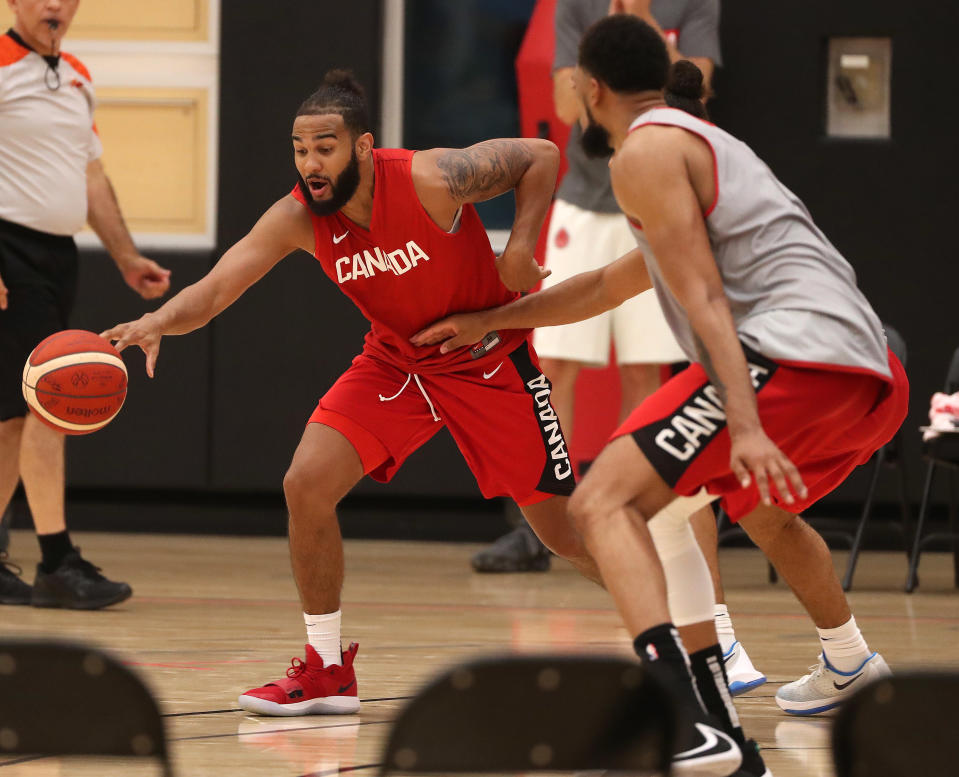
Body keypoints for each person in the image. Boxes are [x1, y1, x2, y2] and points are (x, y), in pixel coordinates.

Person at [103, 70, 742, 777]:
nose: (310, 163)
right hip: (397, 363)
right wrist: (160, 319)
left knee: (565, 533)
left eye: (325, 147)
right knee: (305, 482)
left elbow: (540, 155)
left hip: (487, 355)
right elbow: (219, 286)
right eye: (300, 149)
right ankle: (325, 670)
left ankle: (691, 649)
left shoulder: (434, 178)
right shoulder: (296, 218)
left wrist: (520, 245)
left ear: (364, 147)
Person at [414, 13, 908, 737]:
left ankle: (687, 709)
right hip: (867, 370)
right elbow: (611, 284)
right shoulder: (700, 146)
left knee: (602, 501)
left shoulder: (641, 154)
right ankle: (849, 662)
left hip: (793, 353)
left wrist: (740, 422)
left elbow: (704, 295)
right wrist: (494, 321)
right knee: (749, 508)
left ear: (589, 88)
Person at [475, 0, 720, 575]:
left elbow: (696, 90)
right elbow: (568, 106)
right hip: (583, 202)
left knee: (646, 370)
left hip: (657, 203)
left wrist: (640, 31)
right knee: (554, 365)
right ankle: (543, 527)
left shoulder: (693, 3)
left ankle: (636, 515)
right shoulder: (578, 6)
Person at [0, 0, 170, 608]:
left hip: (56, 257)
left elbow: (91, 177)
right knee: (48, 404)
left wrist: (126, 256)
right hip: (8, 251)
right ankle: (56, 561)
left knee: (14, 416)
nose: (55, 5)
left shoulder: (75, 74)